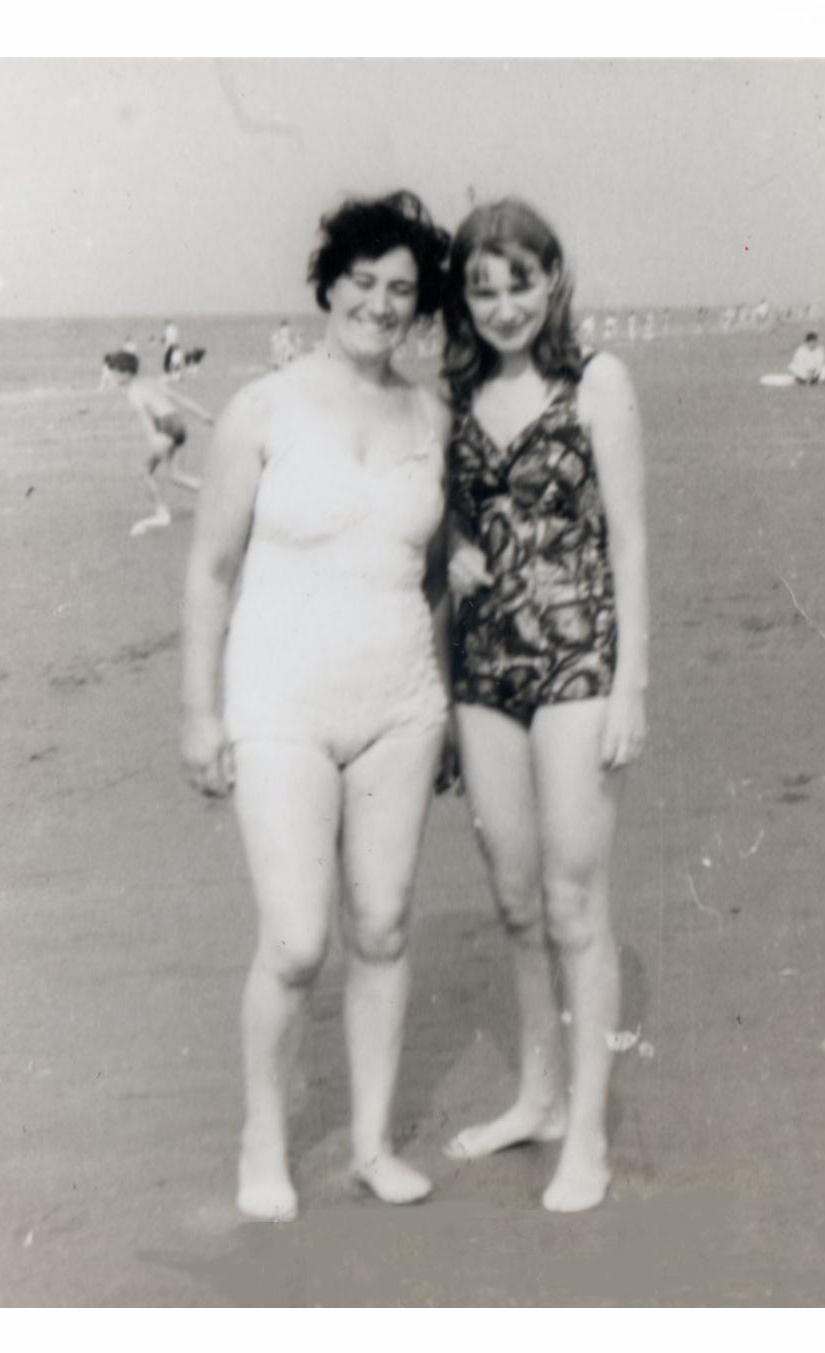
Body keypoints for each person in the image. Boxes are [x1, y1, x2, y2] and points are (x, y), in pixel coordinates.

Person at [181, 191, 452, 1222]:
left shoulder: (432, 418)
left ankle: (373, 1145)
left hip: (400, 705)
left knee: (379, 927)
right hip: (279, 701)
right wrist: (199, 713)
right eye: (364, 282)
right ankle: (264, 1140)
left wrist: (434, 681)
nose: (381, 304)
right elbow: (210, 572)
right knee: (296, 941)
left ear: (418, 305)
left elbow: (431, 572)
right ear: (328, 286)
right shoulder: (263, 408)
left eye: (401, 289)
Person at [440, 199, 648, 1213]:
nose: (503, 306)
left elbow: (631, 540)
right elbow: (440, 511)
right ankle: (539, 1097)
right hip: (482, 668)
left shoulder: (596, 381)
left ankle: (588, 1137)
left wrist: (630, 685)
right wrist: (452, 545)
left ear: (552, 277)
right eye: (481, 289)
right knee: (516, 901)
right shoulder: (456, 393)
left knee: (573, 904)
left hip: (575, 661)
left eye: (518, 282)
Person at [102, 350, 214, 536]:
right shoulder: (151, 382)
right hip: (178, 424)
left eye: (115, 373)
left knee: (145, 472)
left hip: (165, 426)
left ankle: (162, 514)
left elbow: (145, 418)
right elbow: (180, 399)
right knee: (177, 474)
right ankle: (216, 494)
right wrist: (204, 415)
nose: (113, 377)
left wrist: (153, 438)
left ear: (126, 373)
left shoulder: (133, 392)